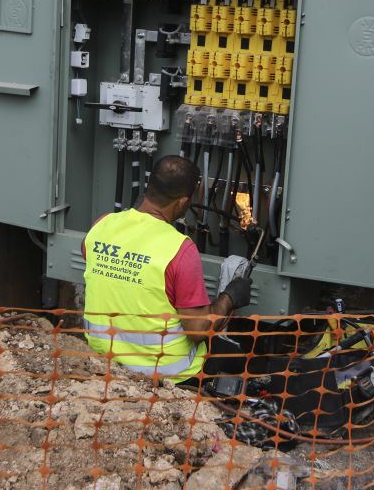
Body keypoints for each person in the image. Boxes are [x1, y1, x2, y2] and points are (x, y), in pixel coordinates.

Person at [82, 155, 253, 383]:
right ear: (182, 202)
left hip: (104, 360)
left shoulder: (101, 225)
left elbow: (99, 264)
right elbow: (197, 329)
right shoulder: (179, 249)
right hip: (166, 373)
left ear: (148, 188)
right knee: (239, 360)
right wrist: (230, 297)